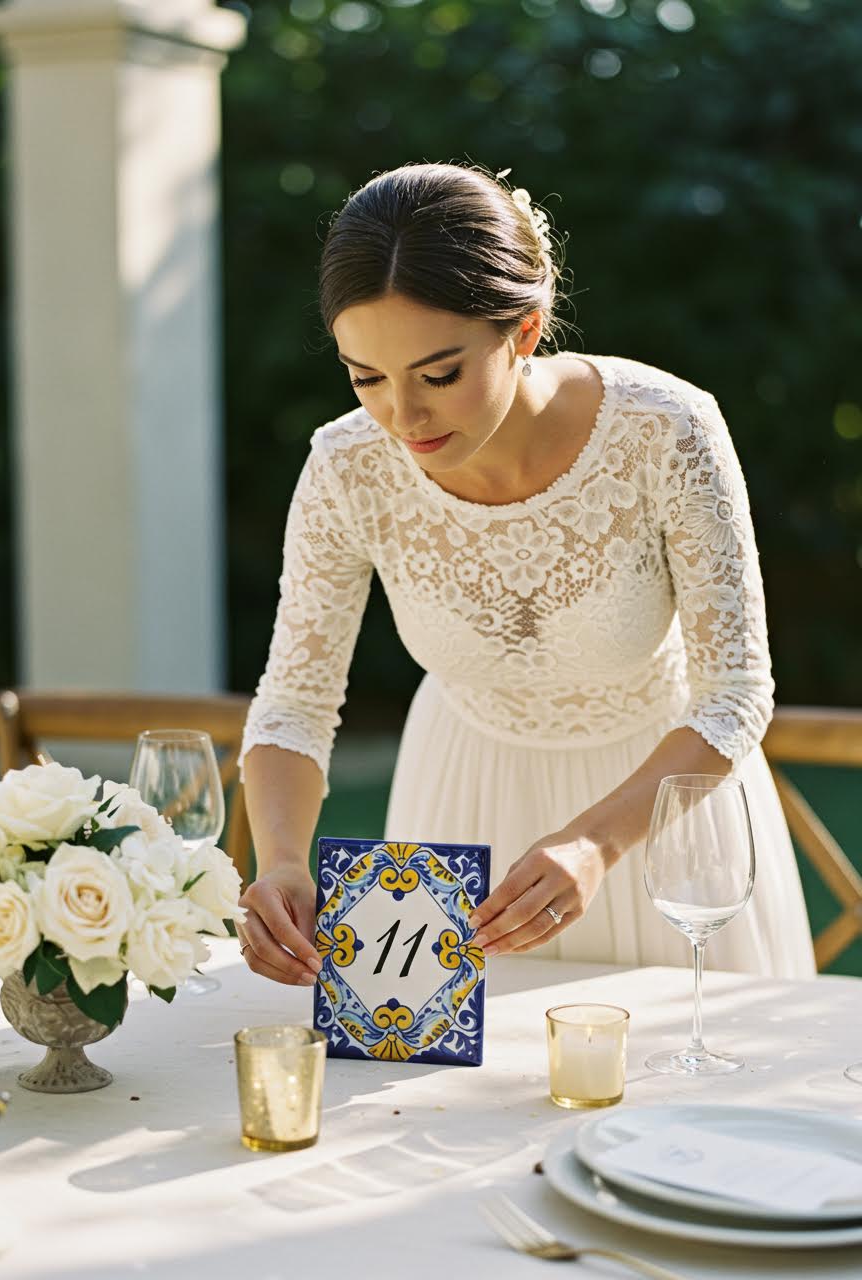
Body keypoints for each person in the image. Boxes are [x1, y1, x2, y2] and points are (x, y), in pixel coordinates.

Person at [235, 161, 815, 987]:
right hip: (455, 803)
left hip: (661, 817)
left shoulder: (667, 429)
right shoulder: (345, 466)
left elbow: (735, 694)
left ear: (526, 331)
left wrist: (594, 842)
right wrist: (283, 858)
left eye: (439, 375)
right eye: (365, 377)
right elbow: (293, 702)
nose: (404, 416)